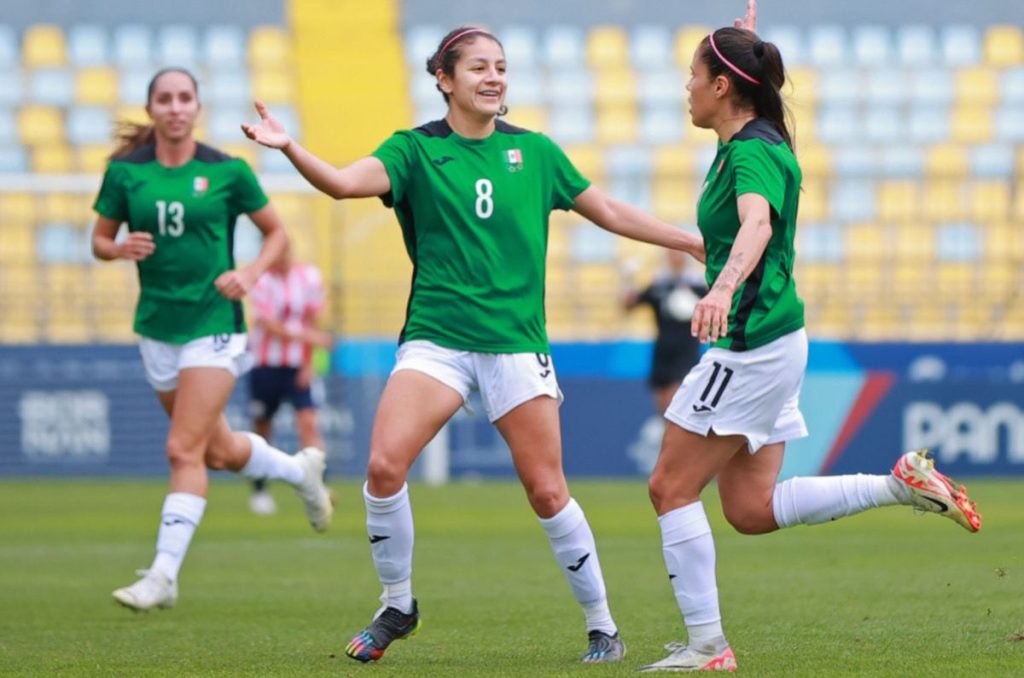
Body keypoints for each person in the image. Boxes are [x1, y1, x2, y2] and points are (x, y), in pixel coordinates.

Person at [242, 22, 717, 665]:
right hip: (437, 340)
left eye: (501, 67)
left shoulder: (537, 153)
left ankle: (602, 624)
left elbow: (607, 210)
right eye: (478, 68)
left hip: (516, 345)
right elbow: (341, 183)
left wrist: (686, 241)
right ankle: (398, 604)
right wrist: (290, 147)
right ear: (444, 78)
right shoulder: (414, 151)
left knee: (548, 491)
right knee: (384, 467)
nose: (494, 78)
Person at [638, 25, 982, 673]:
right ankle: (898, 484)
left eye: (692, 75)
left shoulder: (750, 153)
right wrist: (701, 252)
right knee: (748, 510)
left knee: (668, 488)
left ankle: (708, 648)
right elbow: (745, 221)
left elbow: (758, 224)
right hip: (776, 341)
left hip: (747, 348)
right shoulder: (752, 142)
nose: (684, 87)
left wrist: (721, 288)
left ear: (720, 86)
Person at [91, 68, 334, 612]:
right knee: (218, 451)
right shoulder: (126, 174)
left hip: (215, 326)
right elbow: (100, 241)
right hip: (157, 327)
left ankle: (163, 574)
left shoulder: (227, 172)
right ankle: (300, 471)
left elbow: (278, 233)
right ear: (151, 108)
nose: (175, 107)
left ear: (196, 108)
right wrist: (118, 248)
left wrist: (249, 275)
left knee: (183, 449)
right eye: (165, 99)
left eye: (185, 98)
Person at [246, 247, 332, 515]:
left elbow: (315, 319)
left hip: (298, 366)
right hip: (265, 365)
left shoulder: (309, 277)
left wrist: (309, 363)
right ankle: (260, 490)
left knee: (308, 423)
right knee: (263, 428)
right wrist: (308, 339)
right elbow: (267, 323)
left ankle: (320, 488)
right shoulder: (259, 280)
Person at [622, 249, 708, 415]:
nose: (675, 257)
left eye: (678, 253)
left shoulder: (697, 286)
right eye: (671, 253)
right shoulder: (659, 285)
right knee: (662, 406)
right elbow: (629, 305)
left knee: (676, 400)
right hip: (662, 350)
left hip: (686, 350)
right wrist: (627, 279)